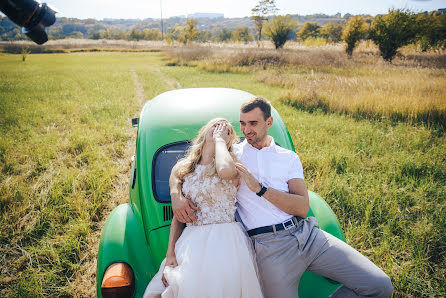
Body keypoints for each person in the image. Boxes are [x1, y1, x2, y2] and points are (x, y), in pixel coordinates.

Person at [171, 97, 394, 298]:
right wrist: (176, 194)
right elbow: (192, 172)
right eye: (242, 123)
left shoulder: (288, 158)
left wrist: (261, 189)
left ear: (269, 123)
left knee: (380, 286)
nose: (246, 130)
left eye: (253, 123)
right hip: (269, 247)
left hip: (307, 235)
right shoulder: (232, 155)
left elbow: (301, 207)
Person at [143, 118, 263, 298]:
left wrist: (220, 140)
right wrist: (170, 254)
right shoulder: (184, 168)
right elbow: (179, 215)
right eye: (216, 125)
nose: (221, 129)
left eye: (227, 130)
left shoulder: (232, 166)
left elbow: (224, 171)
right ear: (205, 130)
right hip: (191, 241)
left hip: (226, 242)